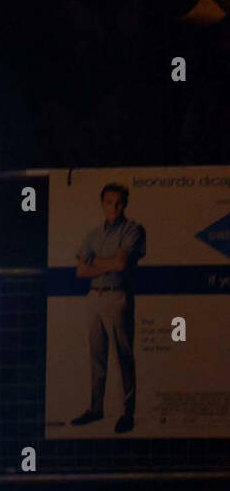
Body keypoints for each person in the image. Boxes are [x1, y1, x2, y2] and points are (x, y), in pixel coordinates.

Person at [73, 183, 146, 434]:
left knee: (123, 357)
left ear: (125, 204)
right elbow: (81, 271)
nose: (113, 207)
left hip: (118, 297)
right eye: (108, 202)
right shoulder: (93, 233)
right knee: (97, 356)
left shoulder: (133, 229)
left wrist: (97, 262)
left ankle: (128, 413)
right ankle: (96, 409)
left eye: (118, 202)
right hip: (94, 297)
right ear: (102, 203)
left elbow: (121, 264)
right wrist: (109, 262)